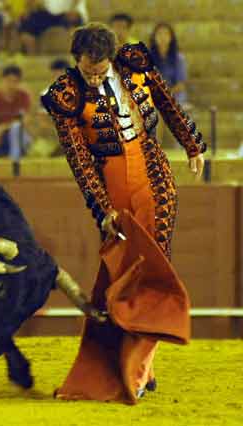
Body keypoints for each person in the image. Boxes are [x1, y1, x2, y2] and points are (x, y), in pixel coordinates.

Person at [42, 23, 206, 403]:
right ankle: (126, 368)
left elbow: (166, 102)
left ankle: (141, 369)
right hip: (112, 190)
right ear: (77, 62)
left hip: (153, 174)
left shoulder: (134, 62)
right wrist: (102, 210)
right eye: (88, 71)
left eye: (100, 71)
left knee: (154, 272)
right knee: (119, 276)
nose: (95, 78)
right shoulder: (65, 95)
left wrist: (193, 144)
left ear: (111, 58)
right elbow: (81, 162)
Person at [18, 0, 88, 55]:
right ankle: (32, 59)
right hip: (46, 13)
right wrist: (28, 9)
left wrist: (72, 8)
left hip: (69, 13)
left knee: (73, 19)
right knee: (26, 26)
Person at [149, 22, 188, 105]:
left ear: (171, 38)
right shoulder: (147, 57)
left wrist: (166, 95)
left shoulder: (179, 58)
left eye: (166, 34)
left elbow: (181, 85)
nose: (162, 37)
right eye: (159, 34)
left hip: (175, 96)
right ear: (154, 37)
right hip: (153, 96)